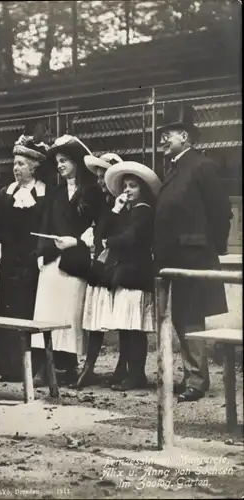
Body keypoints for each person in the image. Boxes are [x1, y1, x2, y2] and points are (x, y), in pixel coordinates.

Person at [153, 102, 233, 402]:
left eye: (168, 133)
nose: (163, 139)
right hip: (173, 259)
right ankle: (191, 375)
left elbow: (221, 213)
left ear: (185, 137)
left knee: (191, 316)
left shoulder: (202, 166)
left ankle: (197, 381)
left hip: (193, 257)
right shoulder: (174, 169)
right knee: (180, 318)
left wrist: (208, 247)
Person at [31, 135, 104, 385]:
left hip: (75, 260)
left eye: (64, 161)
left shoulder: (93, 192)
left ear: (76, 163)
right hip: (53, 258)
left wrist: (78, 242)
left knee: (70, 314)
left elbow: (99, 226)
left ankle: (68, 367)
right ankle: (46, 367)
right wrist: (42, 251)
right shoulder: (56, 193)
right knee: (47, 312)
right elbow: (45, 223)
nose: (60, 165)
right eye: (58, 161)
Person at [0, 134, 53, 382]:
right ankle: (5, 368)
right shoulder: (6, 193)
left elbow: (48, 226)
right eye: (15, 164)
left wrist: (41, 253)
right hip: (9, 262)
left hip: (33, 262)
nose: (16, 169)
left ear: (34, 167)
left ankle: (31, 368)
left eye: (22, 164)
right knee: (7, 311)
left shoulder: (46, 194)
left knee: (29, 311)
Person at [100, 161, 161, 391]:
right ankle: (126, 370)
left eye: (133, 186)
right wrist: (115, 210)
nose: (127, 190)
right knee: (126, 326)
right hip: (125, 271)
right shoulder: (129, 211)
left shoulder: (143, 211)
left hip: (137, 272)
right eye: (125, 185)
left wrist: (109, 242)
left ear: (142, 189)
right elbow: (105, 229)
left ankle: (136, 373)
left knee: (134, 327)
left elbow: (131, 237)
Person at [76, 152, 129, 388]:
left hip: (120, 263)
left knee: (122, 318)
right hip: (101, 261)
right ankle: (89, 366)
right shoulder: (101, 202)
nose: (99, 182)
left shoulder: (127, 202)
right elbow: (100, 231)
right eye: (97, 177)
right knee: (96, 316)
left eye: (103, 176)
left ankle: (123, 365)